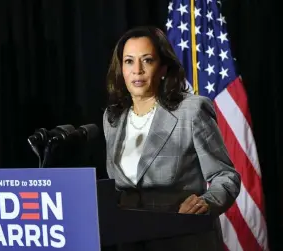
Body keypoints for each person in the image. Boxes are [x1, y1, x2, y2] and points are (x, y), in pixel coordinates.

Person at [102, 26, 241, 251]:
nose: (137, 70)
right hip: (130, 240)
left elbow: (226, 176)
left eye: (147, 60)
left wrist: (206, 202)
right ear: (121, 69)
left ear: (163, 68)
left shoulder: (191, 111)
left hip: (183, 238)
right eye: (129, 61)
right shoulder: (113, 118)